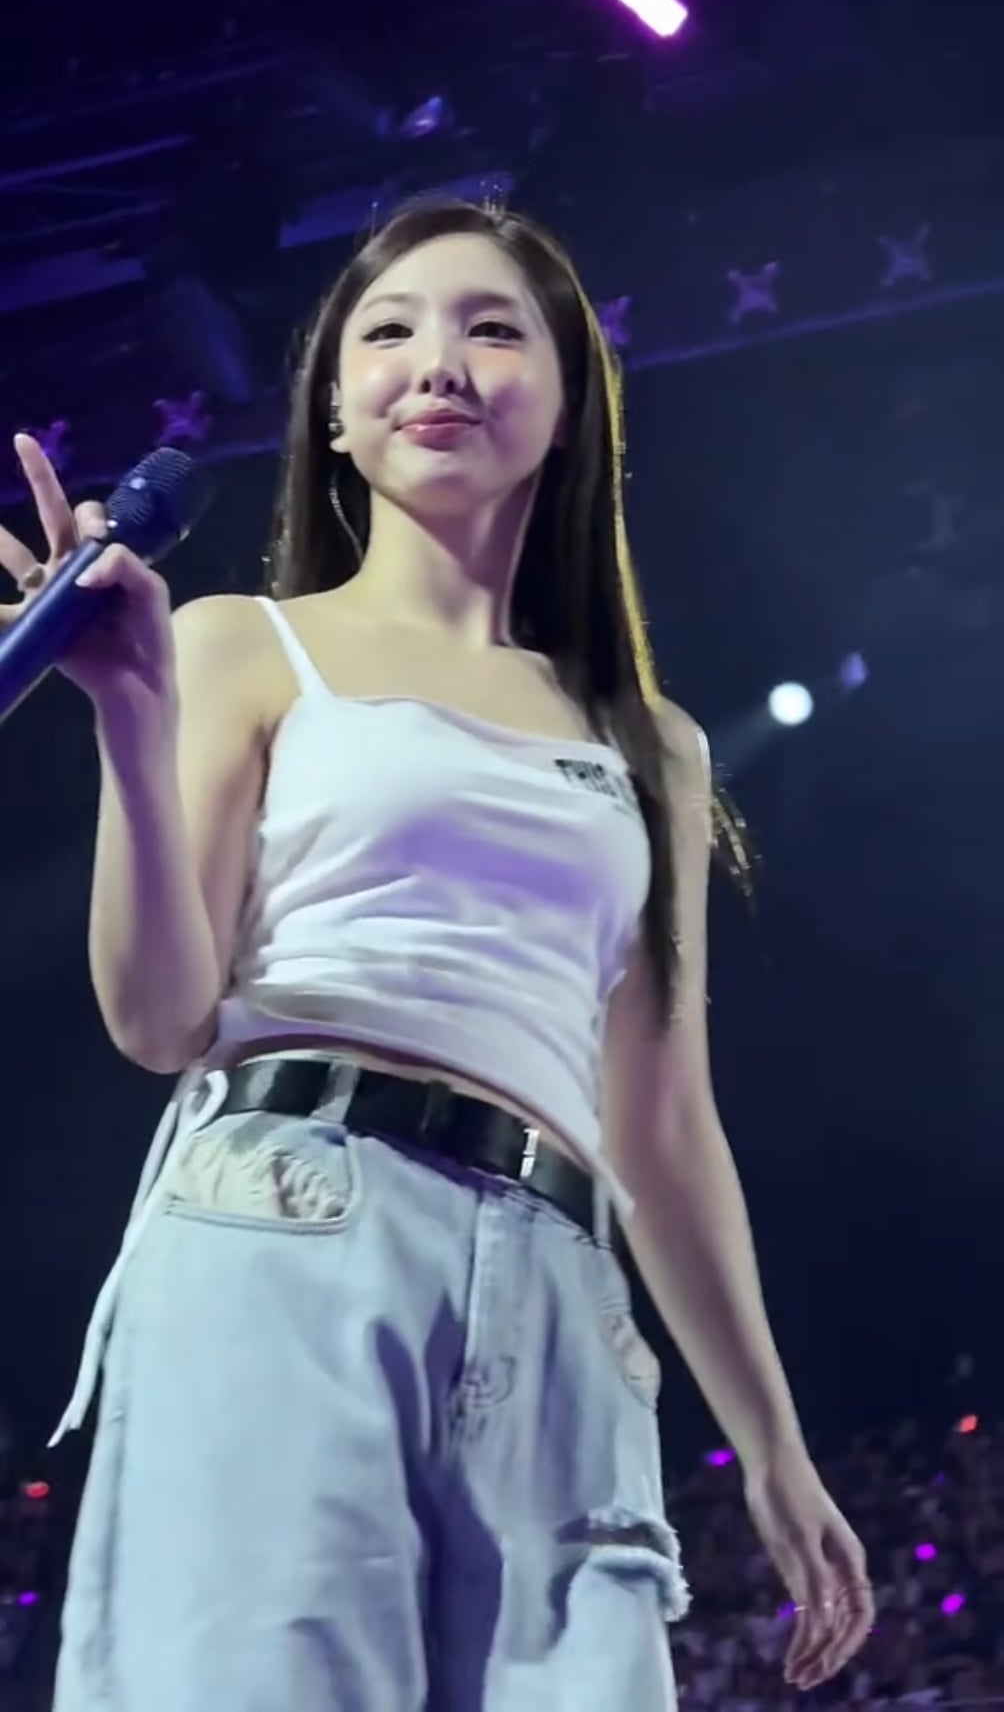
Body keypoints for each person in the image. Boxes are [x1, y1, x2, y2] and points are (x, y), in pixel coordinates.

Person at [1, 195, 874, 1710]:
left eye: (491, 328)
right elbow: (158, 1019)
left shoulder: (654, 744)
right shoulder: (241, 643)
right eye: (390, 332)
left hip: (559, 1283)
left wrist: (775, 1444)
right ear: (337, 413)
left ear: (569, 402)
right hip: (289, 1217)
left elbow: (664, 1122)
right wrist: (133, 720)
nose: (439, 363)